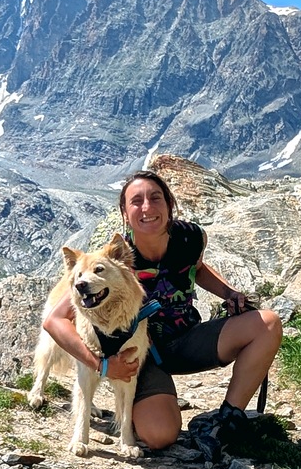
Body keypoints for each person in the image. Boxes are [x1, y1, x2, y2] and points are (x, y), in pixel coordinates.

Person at [42, 169, 282, 452]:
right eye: (136, 201)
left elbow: (198, 268)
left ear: (170, 205)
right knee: (160, 436)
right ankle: (139, 412)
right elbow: (55, 321)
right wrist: (103, 365)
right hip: (141, 354)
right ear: (124, 212)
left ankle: (225, 421)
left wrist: (229, 293)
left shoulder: (190, 238)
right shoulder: (113, 258)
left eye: (156, 198)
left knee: (267, 324)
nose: (147, 208)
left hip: (185, 338)